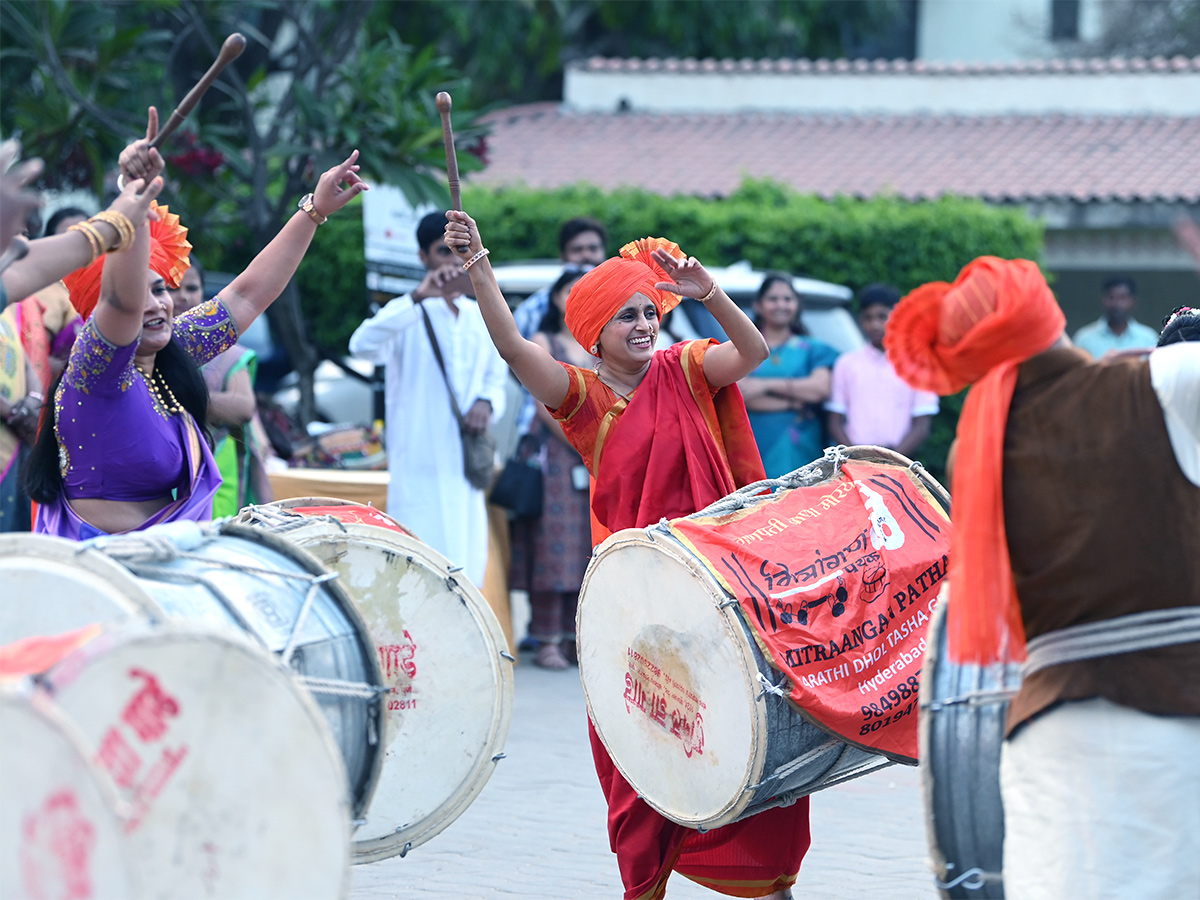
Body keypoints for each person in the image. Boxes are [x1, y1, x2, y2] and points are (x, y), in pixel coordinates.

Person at [446, 209, 809, 900]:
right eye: (626, 317)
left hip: (720, 596)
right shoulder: (581, 399)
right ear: (595, 336)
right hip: (638, 609)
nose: (644, 325)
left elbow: (754, 352)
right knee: (646, 757)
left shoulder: (689, 369)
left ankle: (770, 885)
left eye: (650, 312)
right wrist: (479, 269)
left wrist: (708, 295)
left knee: (758, 743)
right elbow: (514, 350)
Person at [885, 256, 1200, 899]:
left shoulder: (980, 448)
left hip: (1048, 736)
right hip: (1172, 723)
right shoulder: (1163, 383)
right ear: (1044, 310)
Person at [25, 108, 366, 538]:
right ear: (99, 317)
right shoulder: (95, 370)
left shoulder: (169, 357)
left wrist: (314, 210)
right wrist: (136, 195)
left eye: (162, 290)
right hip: (102, 573)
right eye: (144, 292)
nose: (158, 304)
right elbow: (122, 300)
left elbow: (246, 294)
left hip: (170, 563)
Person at [348, 212, 508, 587]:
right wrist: (418, 296)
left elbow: (496, 376)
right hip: (417, 461)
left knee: (468, 567)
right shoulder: (407, 312)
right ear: (423, 258)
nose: (453, 261)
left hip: (465, 465)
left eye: (460, 251)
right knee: (418, 567)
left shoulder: (479, 314)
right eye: (443, 251)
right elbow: (361, 346)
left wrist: (486, 403)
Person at [508, 268, 591, 670]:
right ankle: (546, 640)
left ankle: (579, 636)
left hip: (597, 456)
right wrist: (579, 443)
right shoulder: (544, 340)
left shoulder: (601, 342)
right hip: (556, 454)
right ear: (555, 298)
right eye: (569, 290)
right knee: (551, 547)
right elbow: (543, 405)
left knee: (588, 547)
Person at [171, 256, 273, 517]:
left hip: (219, 468)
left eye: (191, 288)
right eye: (172, 287)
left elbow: (243, 407)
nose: (183, 296)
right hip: (169, 471)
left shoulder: (228, 354)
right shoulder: (146, 351)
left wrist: (171, 398)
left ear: (205, 294)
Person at [738, 273, 840, 477]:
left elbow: (818, 390)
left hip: (802, 450)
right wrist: (793, 403)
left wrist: (764, 386)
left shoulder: (814, 349)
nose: (781, 305)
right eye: (773, 299)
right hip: (752, 445)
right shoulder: (741, 347)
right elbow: (739, 393)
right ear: (758, 305)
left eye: (787, 299)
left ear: (797, 304)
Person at [826, 283, 938, 456]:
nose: (875, 325)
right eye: (868, 318)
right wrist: (857, 458)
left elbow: (921, 426)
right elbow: (835, 422)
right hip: (856, 460)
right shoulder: (847, 364)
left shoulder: (918, 363)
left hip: (900, 460)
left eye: (882, 317)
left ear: (898, 317)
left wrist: (892, 460)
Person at [1071, 275, 1159, 358]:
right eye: (1111, 297)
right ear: (1103, 300)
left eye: (1122, 298)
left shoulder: (1149, 338)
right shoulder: (1084, 339)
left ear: (1133, 301)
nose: (1117, 304)